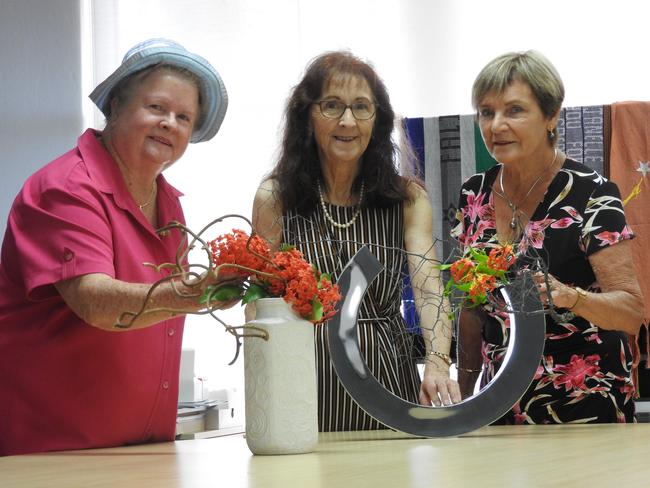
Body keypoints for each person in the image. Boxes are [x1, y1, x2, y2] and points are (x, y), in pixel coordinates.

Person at [0, 39, 235, 456]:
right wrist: (198, 293)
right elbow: (94, 303)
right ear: (115, 106)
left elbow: (160, 312)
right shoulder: (66, 188)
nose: (170, 124)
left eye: (184, 117)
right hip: (54, 454)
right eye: (157, 108)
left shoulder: (169, 204)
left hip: (140, 452)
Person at [252, 51, 461, 432]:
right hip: (303, 384)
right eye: (332, 105)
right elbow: (259, 308)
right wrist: (261, 395)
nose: (347, 121)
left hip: (387, 382)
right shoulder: (275, 197)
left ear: (377, 120)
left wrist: (438, 360)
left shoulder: (407, 199)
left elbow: (428, 284)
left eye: (361, 107)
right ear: (307, 116)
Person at [453, 50, 644, 423]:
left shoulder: (592, 193)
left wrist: (571, 296)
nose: (496, 126)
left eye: (514, 111)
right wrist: (465, 399)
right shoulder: (473, 194)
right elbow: (471, 308)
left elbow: (631, 313)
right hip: (501, 403)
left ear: (551, 115)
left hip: (585, 402)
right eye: (486, 112)